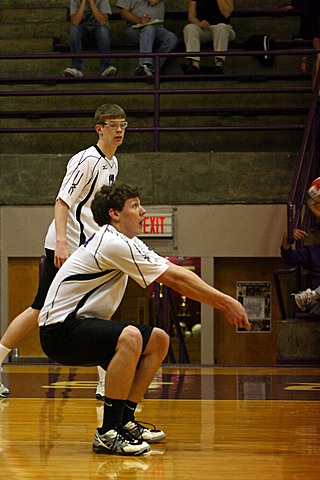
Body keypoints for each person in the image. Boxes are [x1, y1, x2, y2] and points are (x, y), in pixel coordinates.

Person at [38, 182, 250, 456]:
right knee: (131, 337)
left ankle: (125, 420)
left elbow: (174, 273)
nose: (143, 211)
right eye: (135, 205)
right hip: (58, 331)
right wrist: (226, 302)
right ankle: (108, 432)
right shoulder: (111, 242)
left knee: (158, 340)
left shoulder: (128, 242)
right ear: (114, 213)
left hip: (79, 325)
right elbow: (176, 278)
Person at [0, 103, 127, 399]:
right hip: (67, 248)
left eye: (123, 125)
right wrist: (61, 243)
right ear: (100, 129)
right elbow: (62, 202)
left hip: (88, 250)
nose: (119, 130)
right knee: (41, 309)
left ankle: (105, 381)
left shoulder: (112, 163)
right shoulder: (86, 161)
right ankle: (105, 380)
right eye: (113, 125)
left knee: (95, 308)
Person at [116, 0, 178, 77]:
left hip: (157, 27)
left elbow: (153, 1)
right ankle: (144, 64)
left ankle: (151, 70)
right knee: (149, 29)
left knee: (171, 38)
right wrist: (139, 20)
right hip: (134, 28)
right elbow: (124, 13)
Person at [63, 0, 117, 77]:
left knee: (103, 29)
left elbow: (102, 21)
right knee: (74, 29)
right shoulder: (75, 1)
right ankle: (76, 67)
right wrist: (83, 2)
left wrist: (91, 2)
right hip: (83, 35)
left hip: (99, 34)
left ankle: (106, 66)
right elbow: (75, 22)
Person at [181, 0, 236, 75]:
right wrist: (199, 23)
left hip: (224, 30)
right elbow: (191, 17)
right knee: (189, 28)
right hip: (204, 29)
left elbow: (226, 13)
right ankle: (195, 65)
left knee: (221, 27)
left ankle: (219, 65)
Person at [280, 228, 320, 315]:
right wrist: (287, 239)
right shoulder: (314, 251)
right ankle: (313, 296)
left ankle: (313, 295)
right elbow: (289, 258)